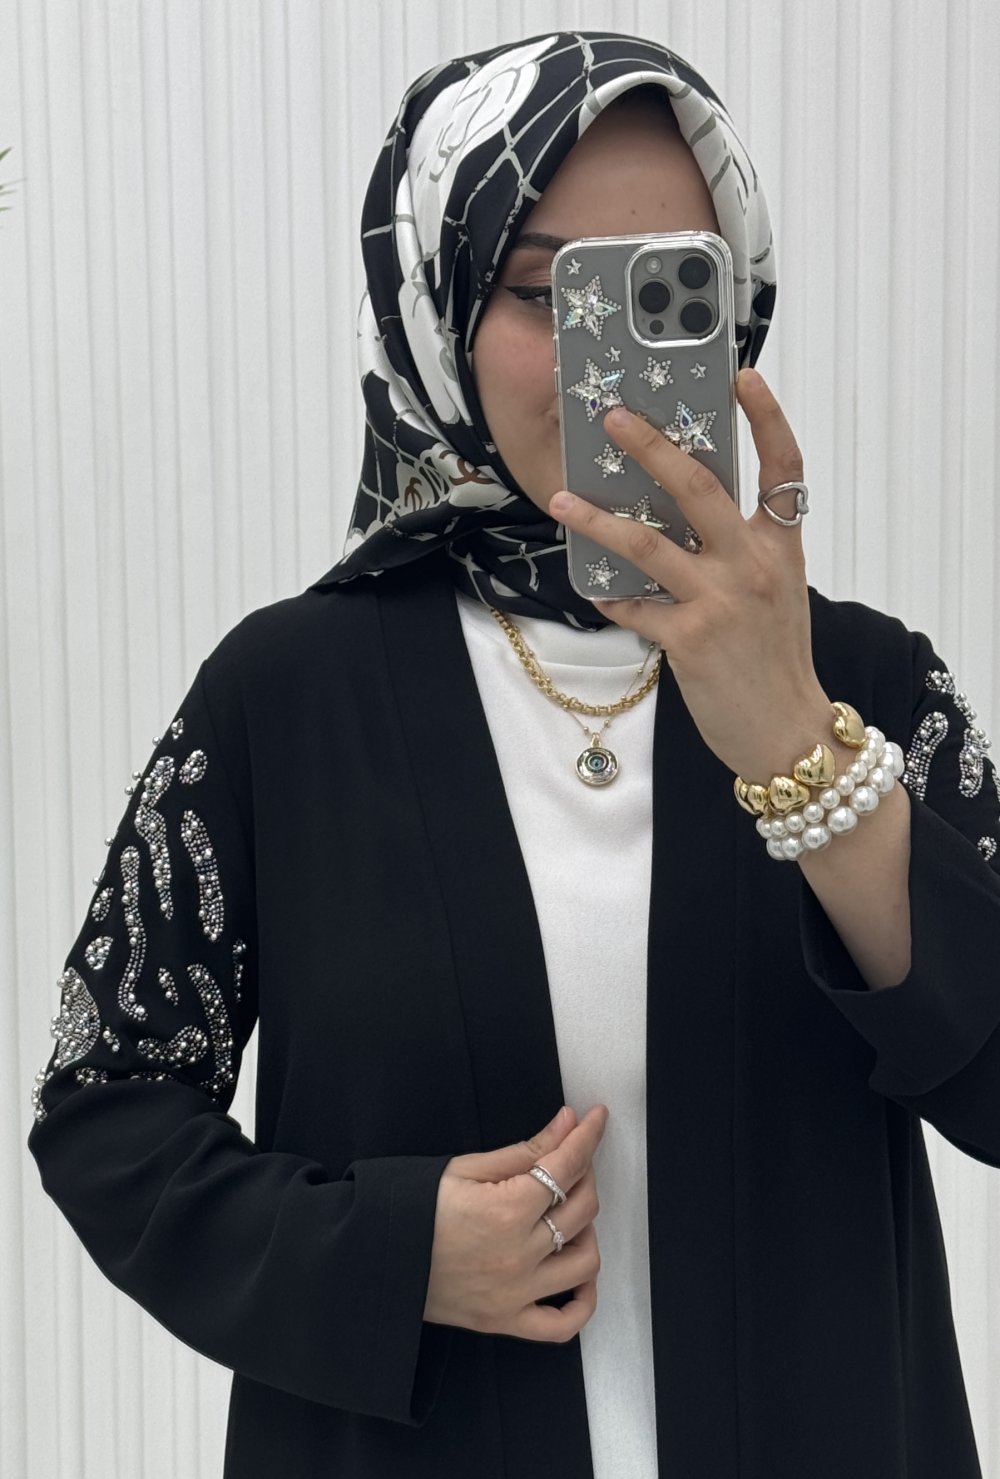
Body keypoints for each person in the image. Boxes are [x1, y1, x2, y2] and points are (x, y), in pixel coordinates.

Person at [25, 30, 1000, 1479]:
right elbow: (107, 1114)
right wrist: (390, 1253)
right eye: (551, 293)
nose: (619, 363)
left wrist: (800, 747)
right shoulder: (285, 696)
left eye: (672, 290)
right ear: (438, 308)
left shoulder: (862, 682)